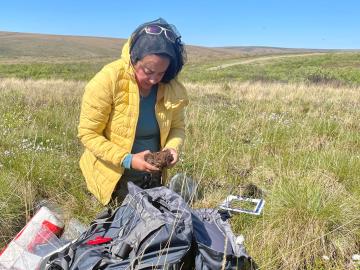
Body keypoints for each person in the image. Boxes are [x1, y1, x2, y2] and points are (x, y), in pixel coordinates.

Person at [77, 18, 188, 205]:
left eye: (160, 73)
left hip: (153, 180)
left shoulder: (170, 87)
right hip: (112, 181)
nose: (153, 80)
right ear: (133, 58)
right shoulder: (108, 80)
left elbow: (178, 128)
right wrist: (128, 160)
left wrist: (171, 148)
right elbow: (88, 134)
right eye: (147, 71)